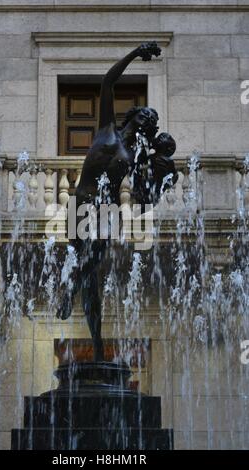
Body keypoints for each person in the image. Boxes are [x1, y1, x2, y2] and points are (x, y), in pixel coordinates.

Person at [56, 42, 178, 362]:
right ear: (133, 117)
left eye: (150, 124)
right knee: (86, 271)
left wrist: (162, 178)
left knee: (89, 272)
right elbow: (108, 81)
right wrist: (137, 53)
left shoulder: (134, 159)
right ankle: (77, 305)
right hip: (81, 203)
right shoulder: (106, 129)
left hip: (107, 211)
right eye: (144, 118)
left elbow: (141, 198)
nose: (147, 124)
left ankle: (94, 341)